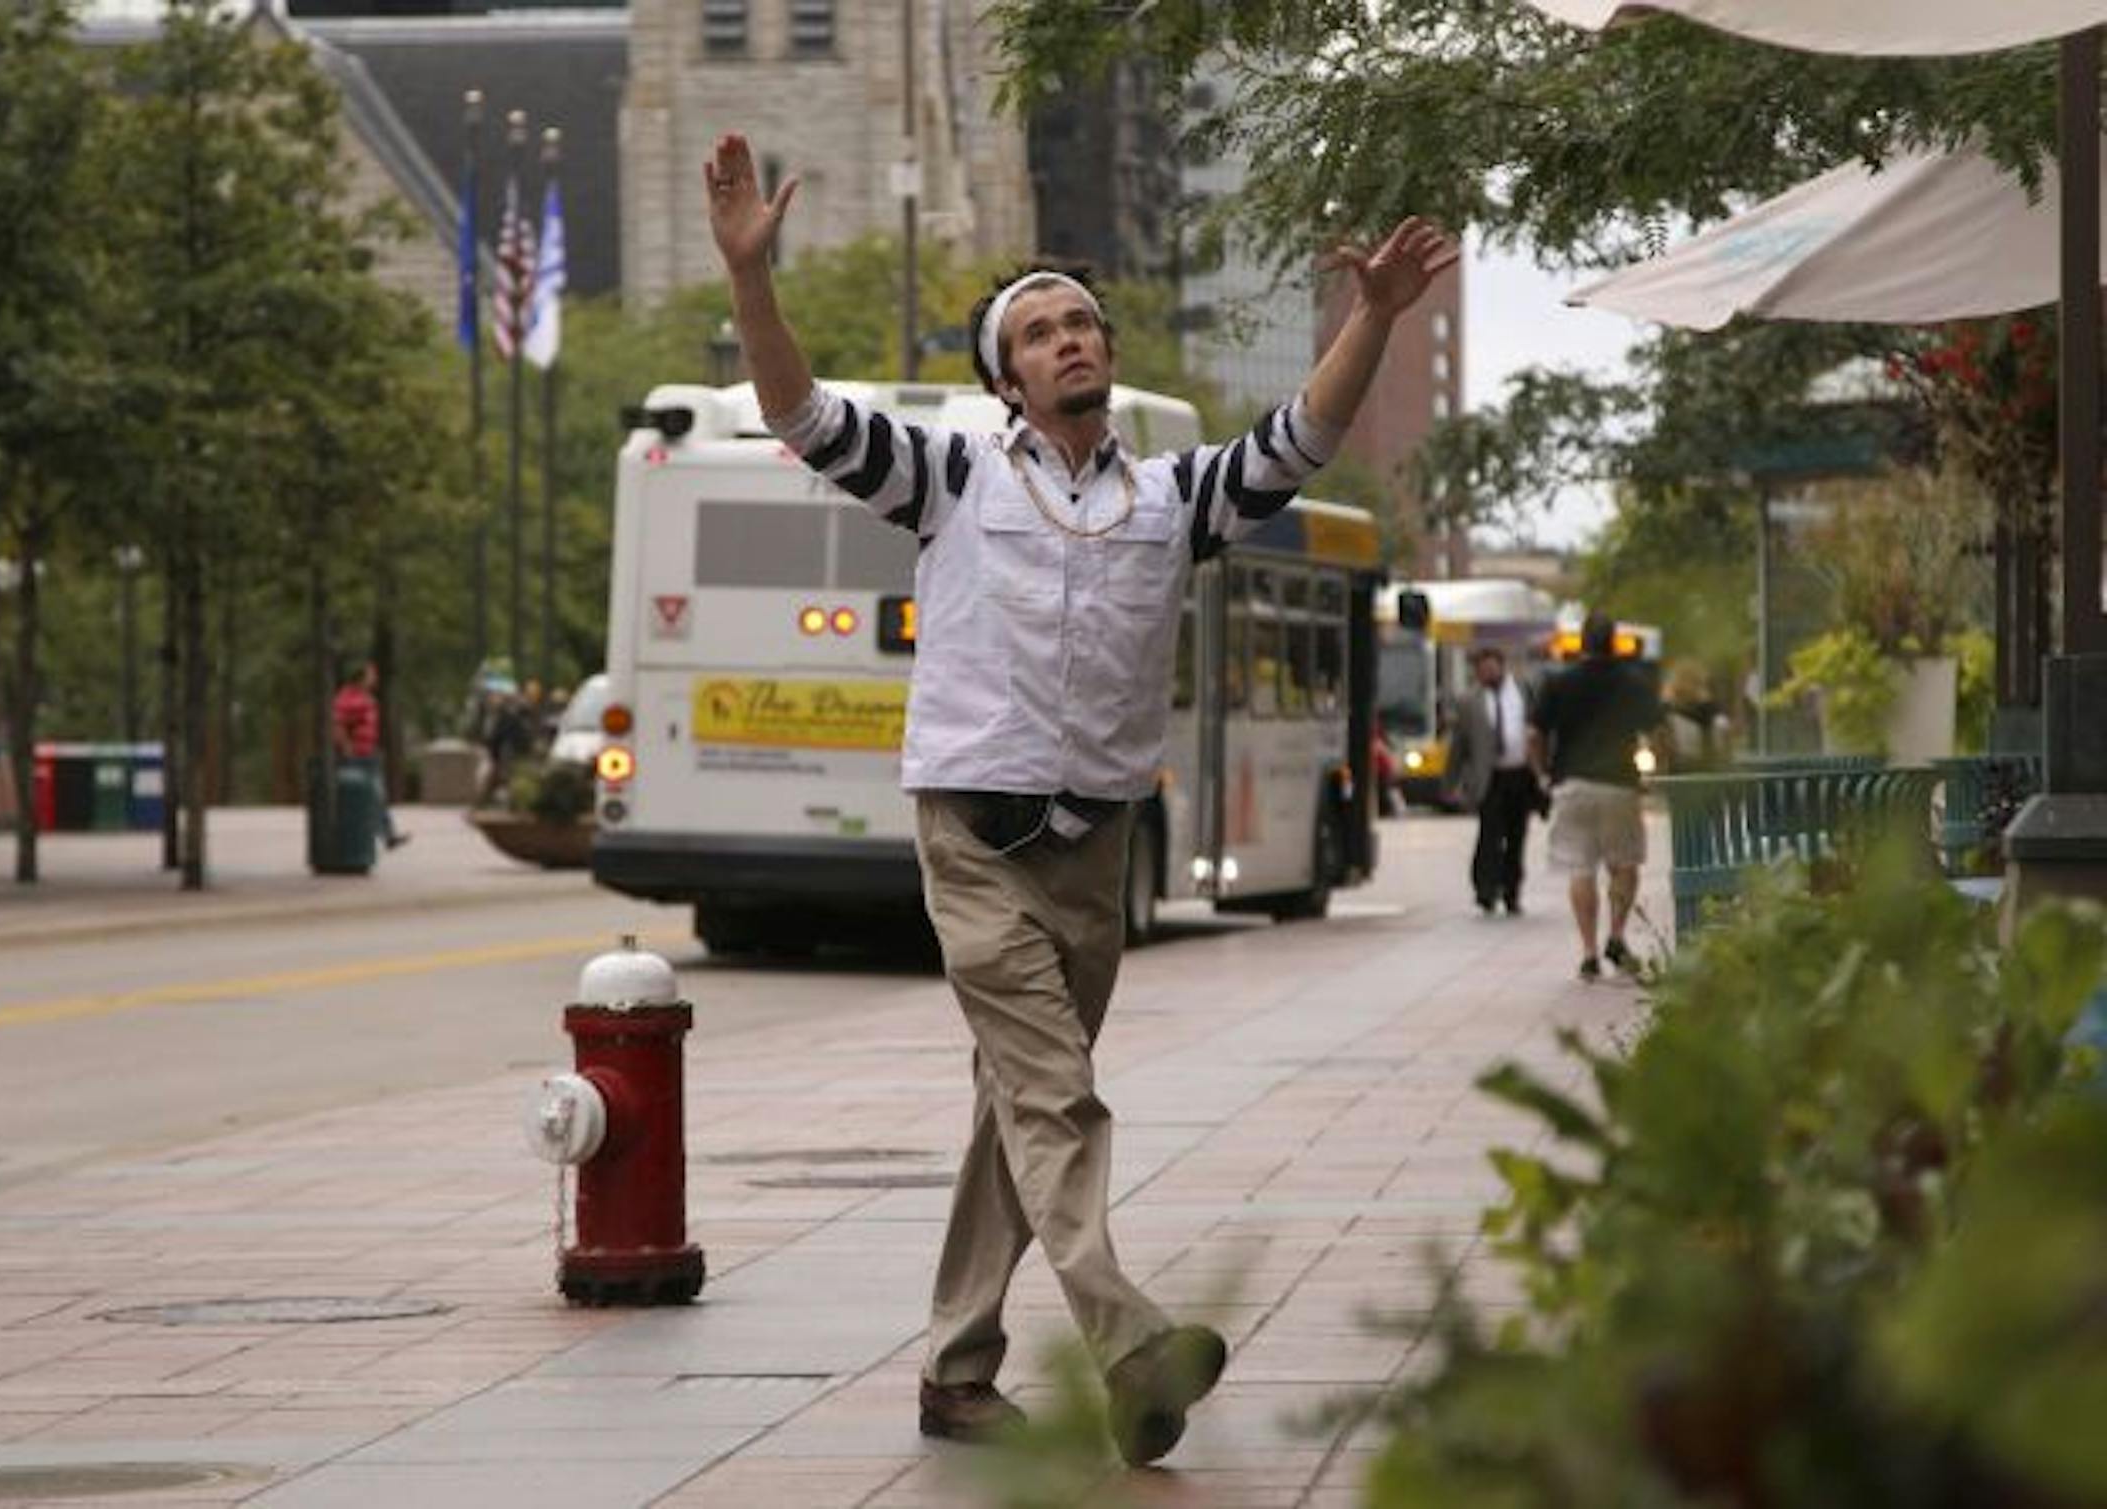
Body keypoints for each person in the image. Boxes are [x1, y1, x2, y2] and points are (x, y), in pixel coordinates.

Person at [704, 132, 1457, 1462]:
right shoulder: (950, 476)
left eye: (1081, 324)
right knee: (1058, 1099)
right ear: (1006, 377)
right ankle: (1129, 1342)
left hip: (1095, 848)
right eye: (1040, 332)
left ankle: (955, 1373)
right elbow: (801, 415)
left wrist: (1376, 317)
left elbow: (1302, 440)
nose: (1068, 341)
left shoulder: (1171, 498)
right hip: (975, 837)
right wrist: (750, 278)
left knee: (1018, 1108)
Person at [1528, 612, 1666, 981]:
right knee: (1625, 865)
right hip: (1619, 784)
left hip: (1572, 785)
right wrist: (1653, 771)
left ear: (1582, 642)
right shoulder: (1633, 682)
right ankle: (1616, 936)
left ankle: (1588, 952)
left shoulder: (1559, 682)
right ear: (1613, 641)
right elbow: (1658, 732)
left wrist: (1542, 774)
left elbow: (1534, 734)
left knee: (1580, 868)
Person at [1444, 646, 1541, 915]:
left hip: (1520, 774)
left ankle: (1512, 891)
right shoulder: (1469, 702)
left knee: (1517, 836)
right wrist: (1450, 783)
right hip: (1490, 778)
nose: (1486, 673)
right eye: (1481, 670)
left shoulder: (1523, 693)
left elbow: (1539, 729)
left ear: (1501, 666)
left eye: (1490, 667)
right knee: (1490, 835)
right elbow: (1459, 746)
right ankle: (1486, 889)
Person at [331, 661, 408, 851]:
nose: (374, 678)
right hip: (356, 756)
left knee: (377, 795)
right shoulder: (347, 698)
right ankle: (378, 835)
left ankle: (386, 834)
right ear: (360, 677)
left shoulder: (366, 697)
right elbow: (338, 724)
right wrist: (346, 747)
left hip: (369, 752)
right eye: (370, 675)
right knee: (371, 795)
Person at [1662, 660, 1731, 773]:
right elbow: (1726, 752)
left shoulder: (1669, 716)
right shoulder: (1716, 716)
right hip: (1708, 770)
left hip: (1681, 771)